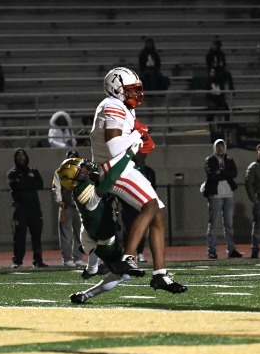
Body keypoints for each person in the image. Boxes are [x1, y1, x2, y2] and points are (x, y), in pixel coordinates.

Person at [90, 66, 182, 292]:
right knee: (150, 206)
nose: (136, 93)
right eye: (130, 89)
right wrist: (136, 134)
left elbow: (130, 149)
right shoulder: (112, 105)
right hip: (112, 167)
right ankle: (129, 257)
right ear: (116, 89)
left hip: (123, 165)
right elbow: (113, 147)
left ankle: (160, 275)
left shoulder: (123, 107)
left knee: (159, 213)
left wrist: (141, 143)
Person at [58, 146, 186, 304]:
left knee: (117, 269)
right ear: (76, 179)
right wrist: (127, 155)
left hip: (92, 233)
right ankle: (88, 288)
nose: (86, 167)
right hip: (102, 239)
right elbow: (111, 179)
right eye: (81, 169)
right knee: (122, 274)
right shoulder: (86, 194)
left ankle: (91, 278)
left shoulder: (81, 185)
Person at [7, 148, 47, 268]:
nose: (21, 157)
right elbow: (17, 186)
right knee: (19, 235)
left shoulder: (33, 171)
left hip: (34, 208)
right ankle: (17, 261)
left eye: (23, 155)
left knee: (36, 234)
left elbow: (40, 184)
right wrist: (28, 182)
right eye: (18, 155)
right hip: (21, 208)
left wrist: (24, 183)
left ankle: (38, 260)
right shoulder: (12, 173)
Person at [203, 139, 242, 259]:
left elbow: (234, 173)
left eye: (222, 146)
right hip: (215, 195)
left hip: (228, 195)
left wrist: (221, 172)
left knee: (229, 224)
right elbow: (212, 175)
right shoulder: (210, 160)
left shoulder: (229, 160)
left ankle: (231, 249)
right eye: (218, 146)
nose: (220, 148)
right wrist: (225, 173)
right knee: (213, 224)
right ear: (215, 148)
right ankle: (212, 250)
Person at [52, 148, 85, 267]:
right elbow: (56, 187)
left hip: (79, 206)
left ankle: (78, 257)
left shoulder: (82, 171)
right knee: (66, 234)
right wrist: (60, 201)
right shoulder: (60, 171)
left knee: (80, 233)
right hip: (66, 205)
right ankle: (67, 259)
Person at [120, 162, 156, 263]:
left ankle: (140, 252)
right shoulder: (126, 170)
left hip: (142, 204)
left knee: (142, 228)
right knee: (128, 229)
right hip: (127, 204)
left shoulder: (148, 171)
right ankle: (128, 253)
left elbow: (153, 187)